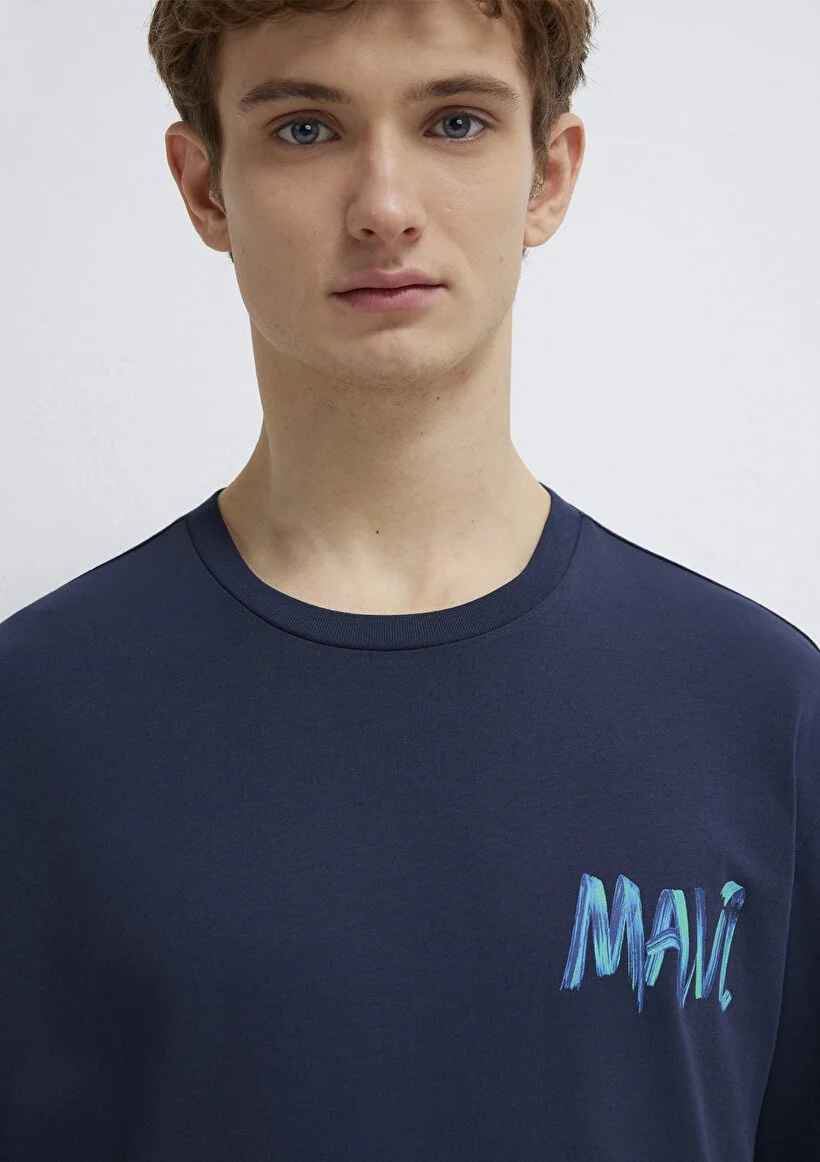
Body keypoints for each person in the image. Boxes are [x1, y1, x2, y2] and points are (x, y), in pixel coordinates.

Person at [1, 1, 817, 1158]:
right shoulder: (34, 719)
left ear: (547, 174)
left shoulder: (763, 710)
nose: (384, 206)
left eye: (453, 121)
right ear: (204, 187)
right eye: (304, 129)